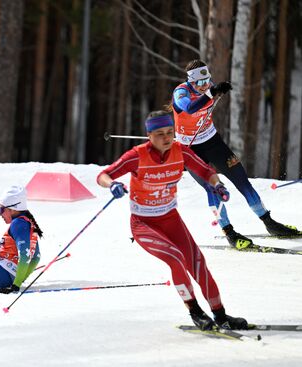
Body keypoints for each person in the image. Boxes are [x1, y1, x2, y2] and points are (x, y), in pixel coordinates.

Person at [97, 111, 248, 331]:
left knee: (198, 264)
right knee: (175, 258)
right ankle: (195, 312)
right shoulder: (136, 156)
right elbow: (104, 175)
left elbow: (206, 171)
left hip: (172, 220)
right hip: (144, 224)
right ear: (149, 135)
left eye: (170, 132)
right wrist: (112, 184)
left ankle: (221, 315)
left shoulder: (181, 151)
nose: (167, 138)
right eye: (160, 134)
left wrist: (218, 185)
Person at [170, 59, 300, 249]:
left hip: (213, 142)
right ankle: (229, 233)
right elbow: (190, 108)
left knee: (241, 179)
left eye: (206, 80)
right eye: (198, 83)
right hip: (190, 150)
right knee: (214, 187)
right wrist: (211, 93)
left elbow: (209, 93)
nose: (203, 85)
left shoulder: (208, 87)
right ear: (190, 81)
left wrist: (217, 90)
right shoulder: (181, 92)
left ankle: (269, 222)